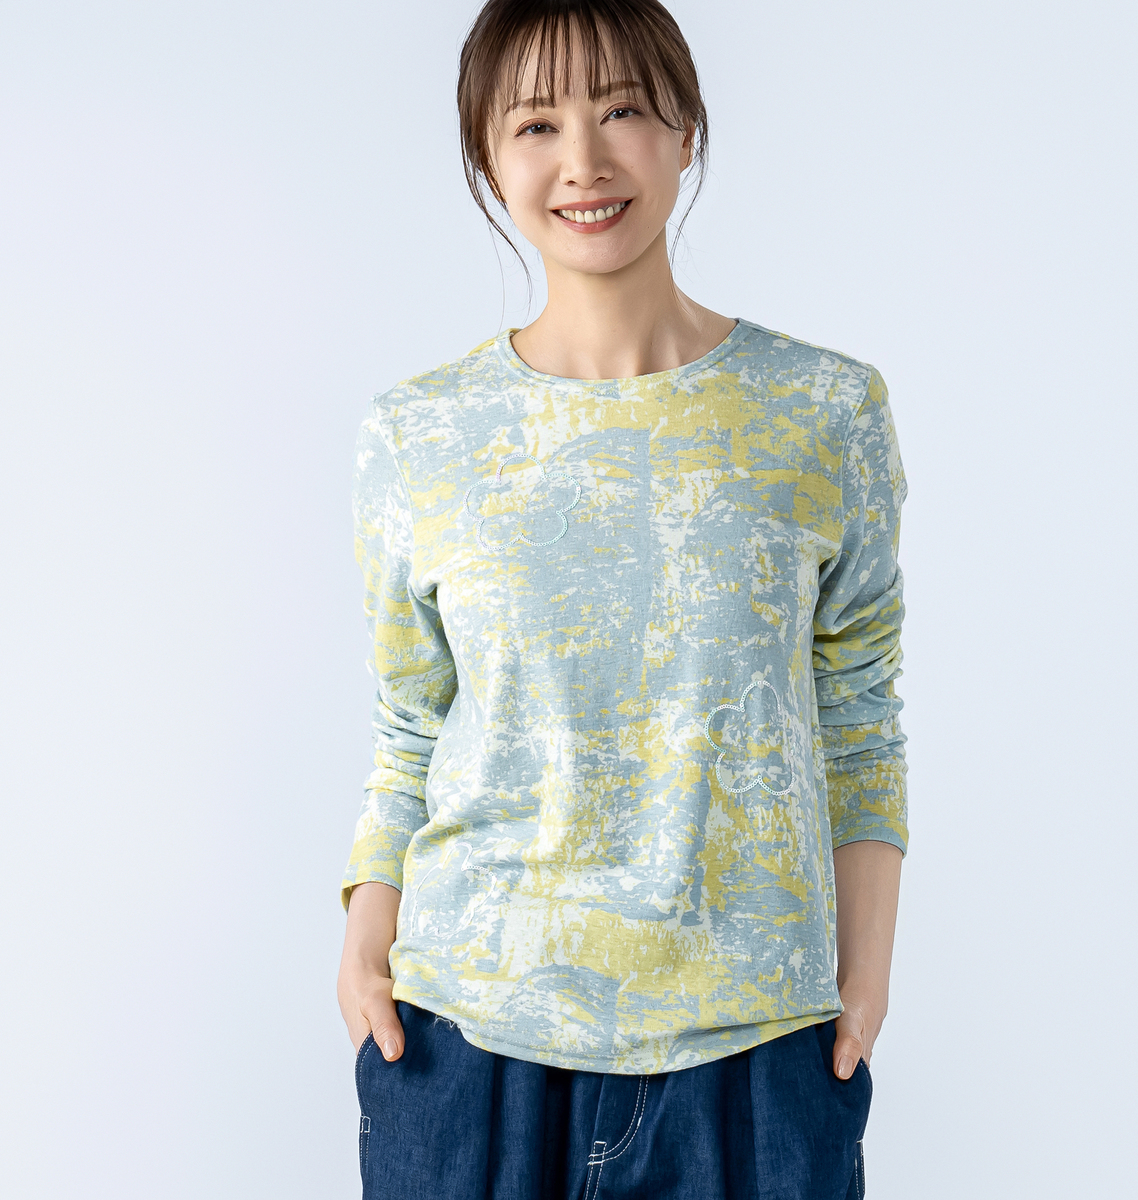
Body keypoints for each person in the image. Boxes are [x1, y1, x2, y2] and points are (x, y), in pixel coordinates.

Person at [336, 2, 908, 1196]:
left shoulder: (823, 410)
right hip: (467, 1040)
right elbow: (411, 723)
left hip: (755, 1048)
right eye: (536, 124)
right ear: (487, 157)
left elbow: (859, 713)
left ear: (685, 128)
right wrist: (363, 945)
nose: (584, 161)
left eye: (623, 110)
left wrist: (864, 978)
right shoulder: (420, 434)